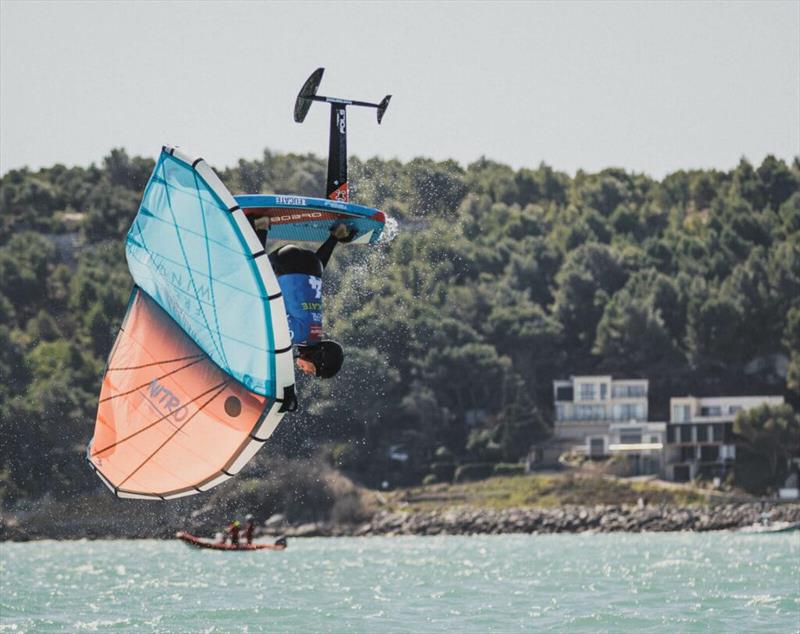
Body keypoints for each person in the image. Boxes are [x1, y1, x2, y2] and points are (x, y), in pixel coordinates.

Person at [254, 218, 354, 380]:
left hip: (314, 263)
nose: (306, 372)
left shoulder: (315, 333)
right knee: (253, 281)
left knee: (305, 281)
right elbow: (263, 325)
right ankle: (261, 227)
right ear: (318, 358)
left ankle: (336, 235)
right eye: (313, 371)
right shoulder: (297, 336)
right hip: (285, 260)